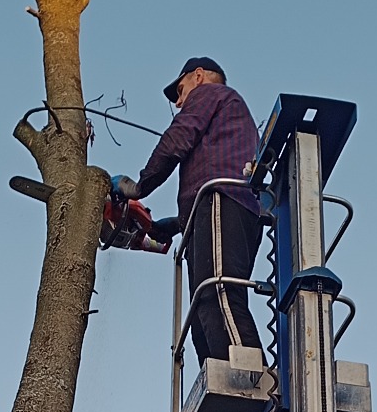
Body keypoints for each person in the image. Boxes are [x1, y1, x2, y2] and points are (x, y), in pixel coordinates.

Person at [112, 57, 265, 364]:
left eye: (180, 91)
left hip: (222, 199)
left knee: (219, 294)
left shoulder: (211, 94)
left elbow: (178, 138)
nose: (180, 102)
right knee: (203, 311)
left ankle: (252, 383)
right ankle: (221, 382)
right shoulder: (228, 114)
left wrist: (140, 186)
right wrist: (177, 224)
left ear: (198, 76)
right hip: (213, 209)